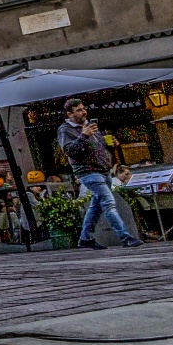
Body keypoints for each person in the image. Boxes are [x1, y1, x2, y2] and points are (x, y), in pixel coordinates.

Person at [58, 99, 143, 248]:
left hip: (104, 170)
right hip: (88, 172)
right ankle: (125, 237)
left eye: (83, 109)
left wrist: (110, 145)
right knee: (109, 203)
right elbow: (70, 151)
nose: (83, 112)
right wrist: (83, 136)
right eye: (78, 110)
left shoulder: (89, 126)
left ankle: (85, 238)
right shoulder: (65, 129)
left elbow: (99, 148)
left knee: (96, 206)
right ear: (69, 114)